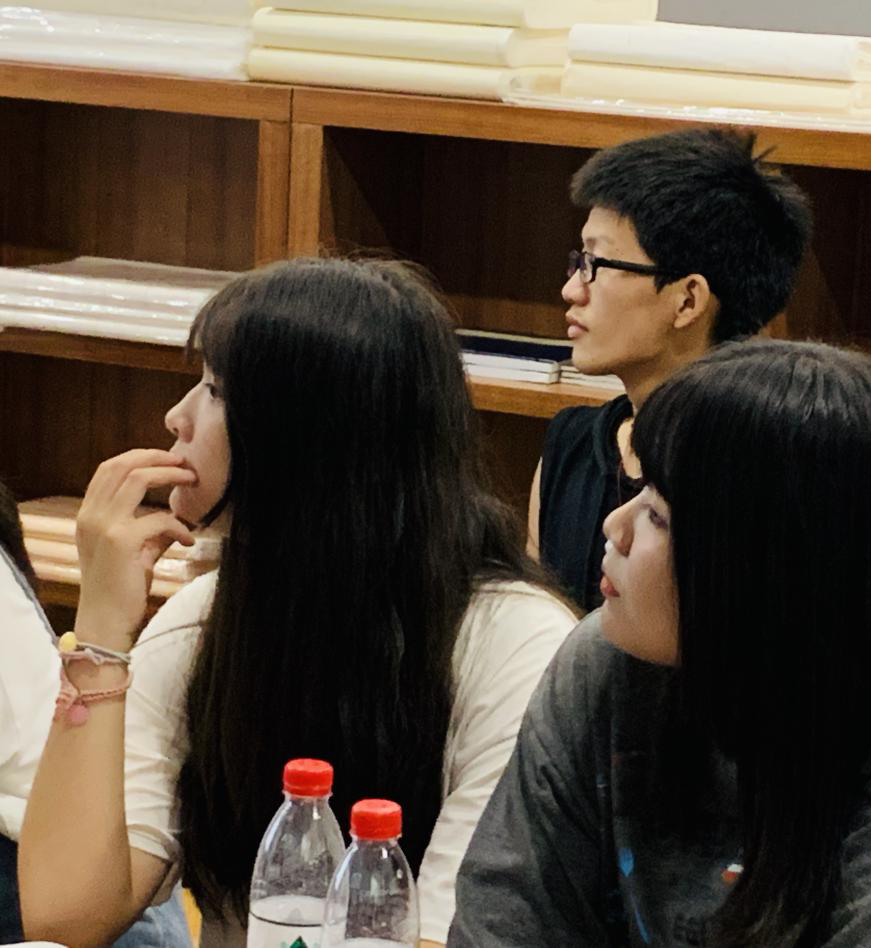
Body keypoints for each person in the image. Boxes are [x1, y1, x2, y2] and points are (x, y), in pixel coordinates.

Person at [18, 258, 577, 947]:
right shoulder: (206, 617)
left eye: (215, 390)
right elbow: (63, 915)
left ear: (306, 434)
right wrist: (102, 632)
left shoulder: (514, 642)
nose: (176, 417)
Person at [451, 340, 871, 947]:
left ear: (767, 564)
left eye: (659, 515)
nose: (615, 526)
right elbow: (499, 923)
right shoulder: (605, 662)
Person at [529, 126, 812, 611]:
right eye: (579, 260)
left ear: (687, 300)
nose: (571, 289)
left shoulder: (768, 470)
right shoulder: (569, 446)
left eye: (597, 264)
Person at [0, 480, 191, 947]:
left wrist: (102, 632)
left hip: (76, 892)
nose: (176, 437)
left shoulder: (191, 621)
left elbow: (66, 923)